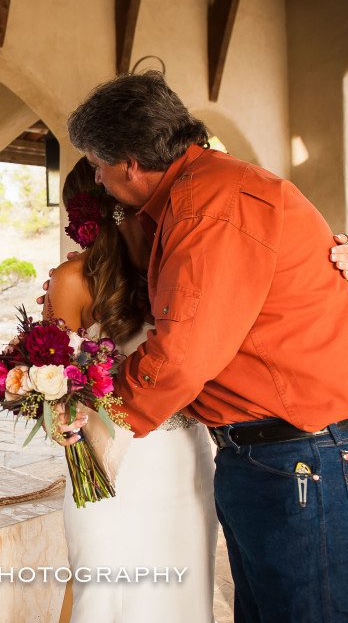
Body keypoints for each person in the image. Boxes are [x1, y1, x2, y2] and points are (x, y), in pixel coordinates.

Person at [65, 72, 348, 622]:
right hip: (267, 456)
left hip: (305, 458)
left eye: (97, 164)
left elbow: (183, 355)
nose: (95, 177)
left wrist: (100, 409)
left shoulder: (211, 206)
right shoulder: (196, 198)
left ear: (130, 163)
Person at [45, 162, 217, 622]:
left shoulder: (176, 266)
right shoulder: (78, 278)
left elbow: (52, 381)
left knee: (164, 595)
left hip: (167, 456)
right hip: (122, 460)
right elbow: (52, 382)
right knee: (113, 593)